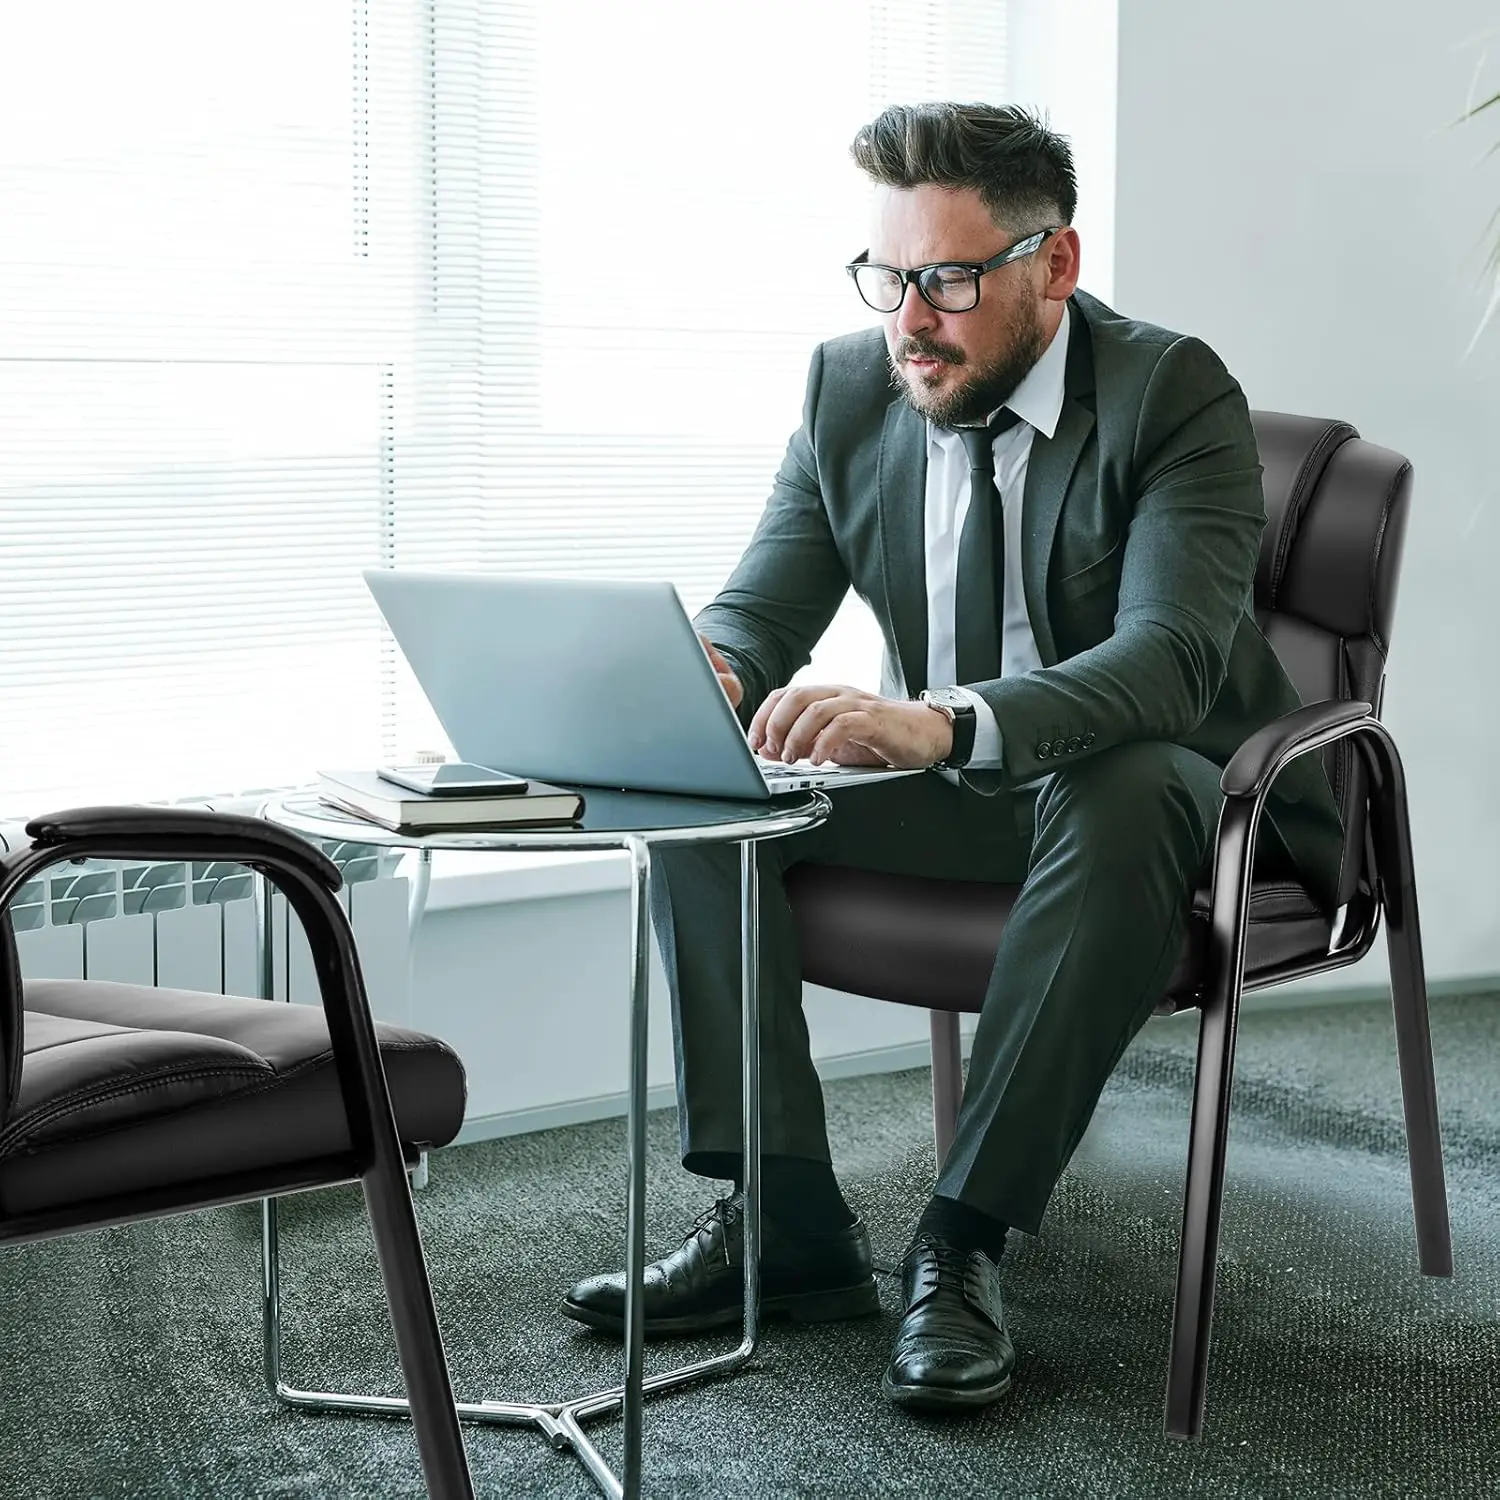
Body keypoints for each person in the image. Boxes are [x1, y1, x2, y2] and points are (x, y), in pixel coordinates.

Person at [562, 101, 1345, 1412]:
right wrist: (712, 674)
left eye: (951, 280)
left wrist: (948, 718)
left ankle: (963, 1239)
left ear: (1056, 265)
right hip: (970, 794)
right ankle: (789, 1224)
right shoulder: (850, 384)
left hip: (1185, 805)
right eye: (890, 276)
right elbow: (764, 606)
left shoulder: (1171, 394)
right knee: (698, 788)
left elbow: (1172, 665)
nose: (910, 319)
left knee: (1127, 777)